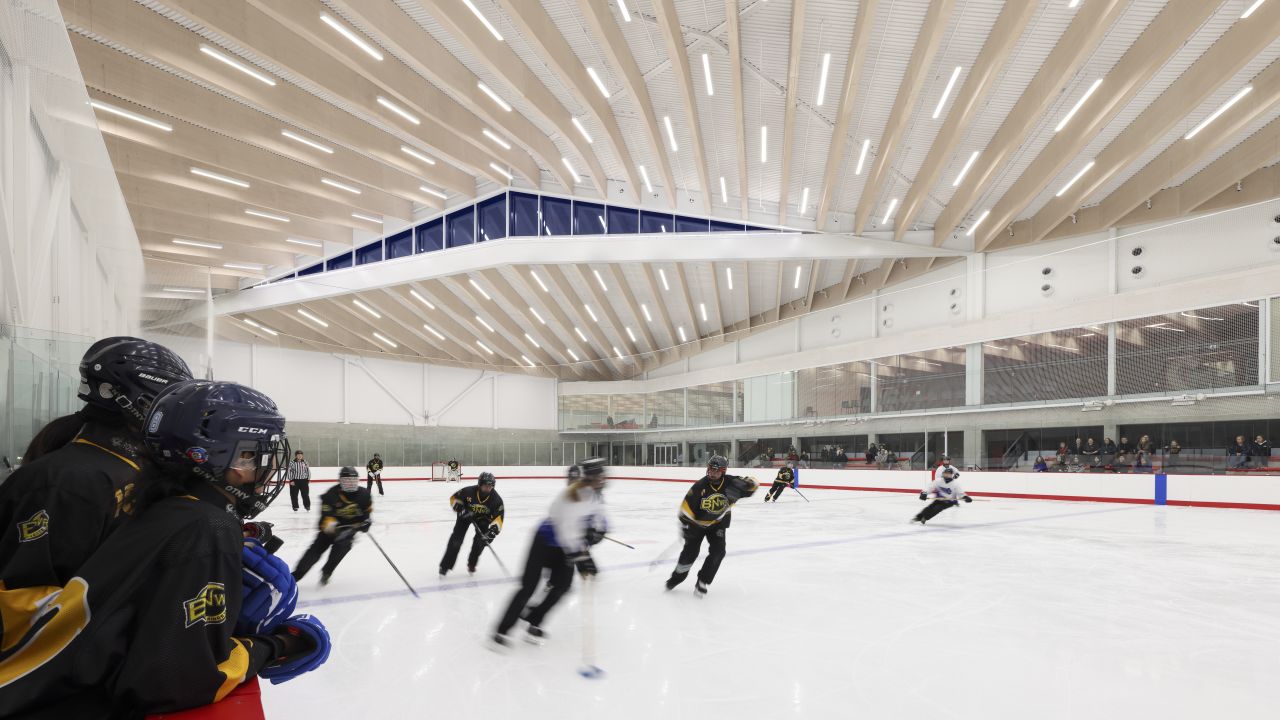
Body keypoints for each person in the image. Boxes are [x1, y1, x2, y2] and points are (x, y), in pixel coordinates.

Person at [0, 379, 329, 717]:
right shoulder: (207, 527)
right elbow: (173, 681)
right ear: (238, 458)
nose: (272, 468)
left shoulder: (161, 505)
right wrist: (277, 645)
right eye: (264, 454)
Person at [0, 336, 192, 590]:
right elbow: (23, 598)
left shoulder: (127, 468)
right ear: (140, 402)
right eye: (169, 403)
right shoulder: (67, 482)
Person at [493, 458, 609, 648]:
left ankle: (533, 620)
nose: (603, 480)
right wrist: (580, 553)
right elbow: (565, 528)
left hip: (565, 548)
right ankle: (501, 630)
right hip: (544, 543)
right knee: (528, 587)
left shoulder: (595, 497)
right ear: (591, 478)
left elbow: (600, 521)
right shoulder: (572, 495)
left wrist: (597, 533)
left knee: (562, 587)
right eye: (600, 476)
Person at [665, 455, 757, 595]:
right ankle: (677, 578)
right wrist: (687, 527)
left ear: (723, 471)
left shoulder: (731, 482)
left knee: (718, 552)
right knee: (690, 554)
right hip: (696, 525)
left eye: (716, 471)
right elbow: (685, 509)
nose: (712, 473)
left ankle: (703, 581)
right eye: (710, 470)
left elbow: (754, 483)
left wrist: (747, 485)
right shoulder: (699, 486)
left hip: (717, 524)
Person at [293, 466, 373, 585]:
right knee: (314, 553)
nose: (351, 483)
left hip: (349, 531)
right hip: (328, 532)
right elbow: (326, 519)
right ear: (340, 481)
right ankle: (296, 576)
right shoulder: (331, 495)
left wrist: (366, 522)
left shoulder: (364, 495)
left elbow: (366, 513)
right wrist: (336, 530)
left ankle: (327, 572)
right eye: (347, 480)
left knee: (340, 550)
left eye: (353, 480)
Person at [439, 471, 505, 577]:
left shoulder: (496, 500)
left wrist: (493, 531)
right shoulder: (468, 491)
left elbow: (499, 518)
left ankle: (472, 563)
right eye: (485, 486)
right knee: (456, 541)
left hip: (483, 520)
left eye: (490, 486)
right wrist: (460, 509)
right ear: (480, 484)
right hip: (465, 516)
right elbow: (454, 498)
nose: (487, 488)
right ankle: (445, 566)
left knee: (480, 542)